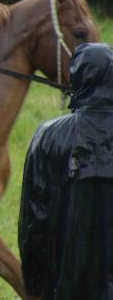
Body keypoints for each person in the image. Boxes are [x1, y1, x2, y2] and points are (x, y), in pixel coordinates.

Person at [19, 43, 113, 299]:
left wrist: (33, 283)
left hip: (64, 285)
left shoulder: (49, 136)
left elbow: (35, 218)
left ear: (77, 77)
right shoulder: (51, 136)